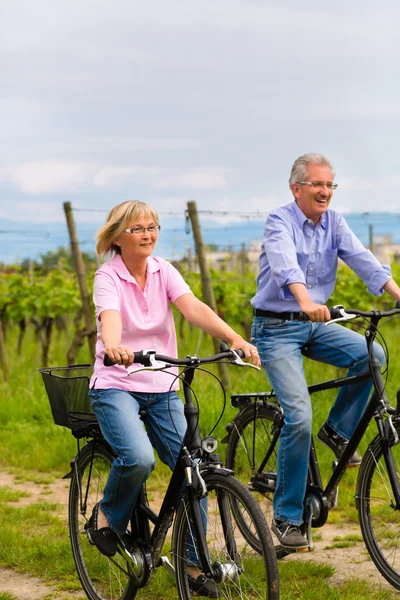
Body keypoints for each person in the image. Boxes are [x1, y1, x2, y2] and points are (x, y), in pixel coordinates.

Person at [88, 200, 260, 595]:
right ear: (117, 237)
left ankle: (192, 564)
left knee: (193, 467)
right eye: (138, 229)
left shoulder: (164, 270)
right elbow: (109, 317)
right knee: (139, 458)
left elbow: (193, 307)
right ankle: (105, 516)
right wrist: (113, 345)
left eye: (153, 227)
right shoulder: (107, 276)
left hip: (162, 384)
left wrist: (233, 338)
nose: (148, 234)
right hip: (117, 383)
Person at [251, 153, 400, 549]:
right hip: (276, 327)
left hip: (316, 324)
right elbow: (285, 267)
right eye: (317, 184)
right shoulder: (279, 221)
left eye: (330, 185)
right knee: (298, 416)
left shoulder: (334, 222)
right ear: (296, 188)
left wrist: (397, 293)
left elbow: (362, 258)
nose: (324, 191)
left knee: (372, 357)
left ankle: (337, 432)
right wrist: (302, 298)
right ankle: (286, 517)